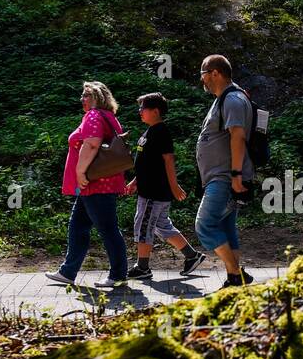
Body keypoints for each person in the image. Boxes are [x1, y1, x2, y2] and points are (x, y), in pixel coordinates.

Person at [46, 81, 129, 287]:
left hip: (96, 183)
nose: (81, 99)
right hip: (95, 185)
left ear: (97, 98)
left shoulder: (94, 115)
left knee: (108, 229)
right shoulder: (109, 117)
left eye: (85, 95)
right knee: (78, 227)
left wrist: (80, 172)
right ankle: (68, 272)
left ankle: (118, 275)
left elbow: (91, 144)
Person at [125, 92, 206, 279]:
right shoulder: (150, 131)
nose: (140, 112)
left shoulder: (161, 131)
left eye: (142, 108)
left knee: (144, 225)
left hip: (154, 191)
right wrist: (135, 181)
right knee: (162, 226)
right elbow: (147, 162)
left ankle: (142, 267)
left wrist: (174, 186)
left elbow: (168, 160)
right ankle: (192, 256)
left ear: (155, 111)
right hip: (149, 188)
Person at [194, 54, 254, 289]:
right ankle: (234, 279)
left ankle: (235, 274)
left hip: (225, 177)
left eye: (203, 75)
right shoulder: (225, 99)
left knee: (205, 224)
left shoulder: (233, 99)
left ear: (215, 73)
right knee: (226, 226)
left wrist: (237, 175)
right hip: (219, 176)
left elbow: (237, 136)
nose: (203, 81)